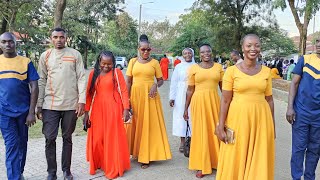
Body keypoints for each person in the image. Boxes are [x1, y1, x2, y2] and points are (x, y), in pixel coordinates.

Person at [215, 34, 275, 180]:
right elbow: (225, 100)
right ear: (242, 48)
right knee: (235, 154)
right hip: (238, 119)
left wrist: (272, 126)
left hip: (261, 120)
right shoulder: (231, 71)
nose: (253, 49)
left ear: (260, 48)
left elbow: (269, 100)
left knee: (259, 155)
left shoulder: (267, 71)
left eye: (257, 45)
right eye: (249, 45)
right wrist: (220, 125)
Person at [37, 28, 86, 180]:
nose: (59, 40)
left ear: (66, 38)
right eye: (55, 37)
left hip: (71, 105)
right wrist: (39, 104)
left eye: (61, 37)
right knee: (50, 138)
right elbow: (41, 80)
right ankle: (51, 172)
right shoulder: (45, 56)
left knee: (67, 137)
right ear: (51, 39)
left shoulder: (75, 54)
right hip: (50, 105)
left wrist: (82, 101)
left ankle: (67, 171)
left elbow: (81, 77)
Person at [126, 34, 172, 169]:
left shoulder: (155, 63)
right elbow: (128, 81)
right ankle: (135, 152)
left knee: (147, 125)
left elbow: (161, 80)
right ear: (138, 49)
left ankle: (145, 156)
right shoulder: (132, 62)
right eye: (143, 49)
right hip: (135, 97)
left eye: (148, 49)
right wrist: (126, 100)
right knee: (136, 124)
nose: (146, 52)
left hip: (150, 98)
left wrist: (155, 85)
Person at [84, 51, 130, 179]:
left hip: (114, 108)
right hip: (98, 109)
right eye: (104, 63)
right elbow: (89, 94)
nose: (106, 66)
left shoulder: (117, 72)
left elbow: (124, 91)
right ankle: (100, 162)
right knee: (98, 138)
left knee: (111, 138)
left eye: (109, 64)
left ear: (113, 63)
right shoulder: (93, 74)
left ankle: (113, 165)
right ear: (99, 62)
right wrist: (86, 112)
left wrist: (126, 109)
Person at [0, 32, 39, 180]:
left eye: (10, 41)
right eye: (4, 42)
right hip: (4, 113)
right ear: (0, 44)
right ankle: (14, 177)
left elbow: (34, 87)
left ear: (15, 43)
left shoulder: (25, 62)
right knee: (11, 145)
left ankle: (19, 172)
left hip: (23, 113)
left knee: (22, 144)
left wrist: (31, 112)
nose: (7, 44)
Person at [183, 44, 223, 178]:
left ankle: (218, 162)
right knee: (201, 132)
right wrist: (185, 108)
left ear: (211, 52)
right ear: (199, 54)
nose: (206, 54)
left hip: (214, 102)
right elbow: (190, 90)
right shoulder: (193, 68)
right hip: (198, 103)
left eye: (208, 51)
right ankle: (202, 165)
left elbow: (224, 89)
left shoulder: (218, 67)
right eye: (203, 52)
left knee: (216, 130)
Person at [286, 37, 320, 180]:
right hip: (301, 112)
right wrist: (290, 107)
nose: (319, 45)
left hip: (318, 117)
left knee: (314, 150)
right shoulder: (305, 59)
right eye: (318, 41)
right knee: (299, 149)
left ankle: (309, 177)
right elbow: (294, 84)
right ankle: (296, 177)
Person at [169, 48, 195, 152]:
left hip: (193, 93)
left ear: (193, 54)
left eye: (189, 53)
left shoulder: (196, 66)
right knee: (181, 117)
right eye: (185, 53)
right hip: (180, 94)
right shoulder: (178, 67)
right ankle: (182, 141)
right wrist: (172, 97)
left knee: (192, 116)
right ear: (182, 55)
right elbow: (174, 82)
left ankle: (192, 140)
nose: (187, 55)